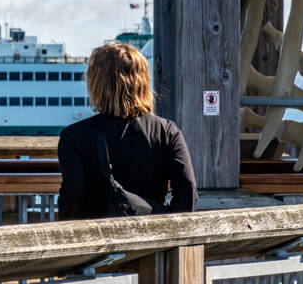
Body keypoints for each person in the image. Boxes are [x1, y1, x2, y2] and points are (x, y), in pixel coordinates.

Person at [57, 43, 198, 220]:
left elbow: (73, 195)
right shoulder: (167, 131)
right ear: (143, 82)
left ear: (97, 83)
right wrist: (169, 228)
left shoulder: (73, 136)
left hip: (97, 234)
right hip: (151, 232)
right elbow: (188, 190)